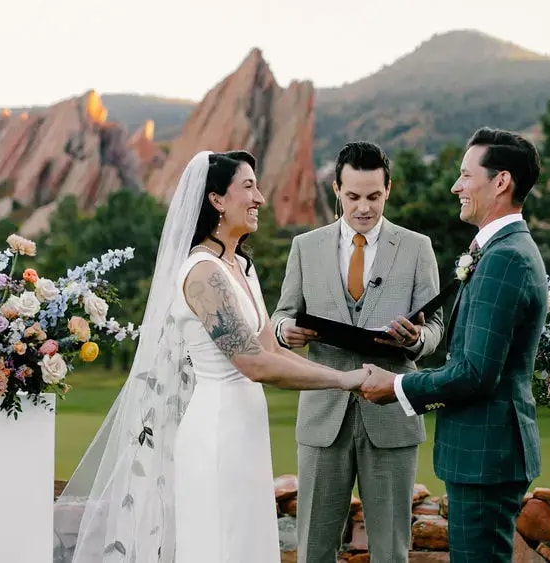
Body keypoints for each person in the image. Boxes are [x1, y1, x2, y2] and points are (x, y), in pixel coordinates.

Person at [54, 150, 367, 563]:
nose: (260, 199)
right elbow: (253, 362)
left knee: (246, 542)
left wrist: (348, 375)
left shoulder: (241, 266)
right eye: (248, 187)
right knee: (221, 544)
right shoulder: (201, 273)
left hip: (247, 429)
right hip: (216, 430)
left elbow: (270, 348)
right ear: (217, 200)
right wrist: (346, 381)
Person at [359, 128, 547, 563]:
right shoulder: (502, 249)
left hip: (487, 453)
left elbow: (477, 373)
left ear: (500, 182)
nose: (455, 186)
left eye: (465, 175)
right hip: (484, 451)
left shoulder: (505, 257)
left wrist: (398, 387)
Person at [271, 141, 445, 563]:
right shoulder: (305, 246)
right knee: (313, 548)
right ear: (336, 189)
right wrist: (285, 332)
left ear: (389, 189)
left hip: (391, 418)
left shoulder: (417, 246)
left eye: (373, 196)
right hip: (322, 418)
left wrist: (415, 341)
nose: (363, 207)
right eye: (353, 197)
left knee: (390, 551)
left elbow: (438, 327)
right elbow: (280, 317)